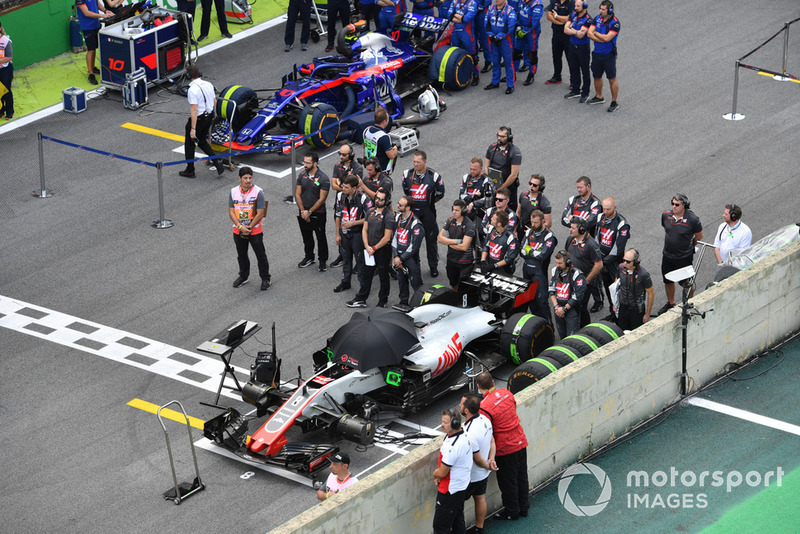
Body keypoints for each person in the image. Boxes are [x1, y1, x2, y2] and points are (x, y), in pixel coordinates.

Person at [476, 372, 529, 521]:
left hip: (505, 448)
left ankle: (512, 512)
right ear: (493, 382)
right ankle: (524, 507)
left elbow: (487, 430)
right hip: (520, 440)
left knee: (508, 482)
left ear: (479, 387)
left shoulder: (483, 407)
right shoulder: (507, 393)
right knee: (522, 476)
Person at [432, 408, 493, 534]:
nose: (442, 425)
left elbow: (442, 472)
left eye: (445, 422)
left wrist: (435, 474)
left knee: (440, 527)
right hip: (460, 488)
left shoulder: (453, 447)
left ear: (454, 424)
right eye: (442, 421)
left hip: (449, 491)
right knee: (458, 521)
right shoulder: (465, 435)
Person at [348, 188, 396, 308]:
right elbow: (364, 229)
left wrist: (374, 248)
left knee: (383, 275)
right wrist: (367, 246)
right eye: (377, 198)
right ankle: (361, 298)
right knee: (366, 274)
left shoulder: (389, 216)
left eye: (381, 199)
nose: (378, 201)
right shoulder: (370, 211)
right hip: (369, 249)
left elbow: (387, 237)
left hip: (382, 250)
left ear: (386, 201)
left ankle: (383, 300)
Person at [401, 150, 445, 277]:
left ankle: (433, 266)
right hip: (412, 213)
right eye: (414, 161)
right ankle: (413, 267)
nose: (415, 164)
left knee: (431, 242)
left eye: (418, 162)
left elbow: (440, 193)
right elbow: (406, 191)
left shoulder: (434, 176)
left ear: (425, 161)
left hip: (428, 213)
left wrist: (429, 203)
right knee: (412, 242)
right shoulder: (407, 174)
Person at [659, 193, 703, 314]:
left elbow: (699, 236)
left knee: (687, 283)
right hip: (667, 255)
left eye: (677, 205)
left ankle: (689, 303)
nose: (674, 207)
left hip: (684, 257)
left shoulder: (693, 219)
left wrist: (689, 246)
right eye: (672, 204)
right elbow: (666, 229)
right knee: (667, 280)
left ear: (685, 205)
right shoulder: (666, 215)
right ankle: (671, 302)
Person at [179, 64, 225, 178]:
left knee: (190, 143)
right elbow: (214, 101)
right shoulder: (209, 84)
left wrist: (193, 128)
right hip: (209, 116)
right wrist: (213, 115)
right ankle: (216, 160)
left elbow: (194, 110)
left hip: (199, 119)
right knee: (202, 141)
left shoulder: (192, 90)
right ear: (199, 74)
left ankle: (190, 170)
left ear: (189, 75)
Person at [229, 167, 271, 290]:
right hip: (238, 229)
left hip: (255, 230)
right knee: (241, 255)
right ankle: (243, 276)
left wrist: (249, 227)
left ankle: (265, 278)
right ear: (240, 178)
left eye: (250, 178)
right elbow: (231, 211)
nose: (248, 180)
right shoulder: (233, 191)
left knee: (260, 255)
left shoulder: (258, 192)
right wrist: (240, 226)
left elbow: (261, 213)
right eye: (245, 178)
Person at [460, 393, 497, 534]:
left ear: (467, 410)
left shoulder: (468, 432)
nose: (459, 405)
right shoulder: (485, 420)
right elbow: (492, 441)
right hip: (483, 473)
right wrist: (491, 459)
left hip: (471, 476)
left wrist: (487, 464)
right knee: (480, 497)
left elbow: (476, 458)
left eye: (461, 404)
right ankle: (479, 528)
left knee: (459, 504)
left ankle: (459, 529)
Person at [333, 175, 373, 293]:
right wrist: (337, 234)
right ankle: (345, 282)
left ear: (354, 188)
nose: (343, 189)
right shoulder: (340, 196)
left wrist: (353, 223)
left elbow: (370, 217)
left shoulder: (363, 198)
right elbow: (338, 215)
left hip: (357, 234)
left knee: (360, 262)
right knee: (346, 259)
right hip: (344, 233)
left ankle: (363, 287)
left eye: (346, 187)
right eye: (343, 186)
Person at [295, 152, 331, 271]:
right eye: (304, 162)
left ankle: (322, 260)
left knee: (321, 237)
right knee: (307, 237)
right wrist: (303, 211)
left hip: (318, 213)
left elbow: (322, 199)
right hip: (303, 212)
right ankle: (309, 257)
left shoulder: (324, 179)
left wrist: (309, 212)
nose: (305, 165)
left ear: (315, 163)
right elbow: (297, 194)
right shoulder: (301, 175)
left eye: (308, 163)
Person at [330, 145, 364, 268]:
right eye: (340, 153)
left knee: (355, 233)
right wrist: (344, 187)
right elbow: (334, 185)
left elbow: (354, 186)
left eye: (344, 154)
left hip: (354, 204)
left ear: (351, 155)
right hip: (340, 203)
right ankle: (342, 255)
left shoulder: (358, 168)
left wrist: (341, 184)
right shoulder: (337, 166)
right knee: (340, 229)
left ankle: (357, 259)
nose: (341, 156)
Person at [520, 210, 558, 319]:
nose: (533, 225)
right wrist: (534, 252)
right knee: (530, 300)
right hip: (526, 270)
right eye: (532, 222)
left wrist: (529, 250)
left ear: (543, 221)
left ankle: (548, 326)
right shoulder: (529, 232)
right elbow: (521, 251)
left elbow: (542, 255)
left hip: (539, 272)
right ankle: (536, 325)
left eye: (536, 222)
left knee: (541, 302)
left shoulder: (549, 236)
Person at [566, 216, 603, 326]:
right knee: (573, 304)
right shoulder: (570, 239)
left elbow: (599, 265)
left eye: (573, 228)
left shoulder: (591, 245)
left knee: (581, 306)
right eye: (570, 227)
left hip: (584, 281)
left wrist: (587, 280)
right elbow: (566, 255)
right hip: (571, 279)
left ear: (582, 229)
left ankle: (585, 326)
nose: (570, 230)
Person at [596, 197, 629, 314]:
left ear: (615, 208)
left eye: (608, 209)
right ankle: (612, 312)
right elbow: (596, 238)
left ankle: (620, 314)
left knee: (617, 289)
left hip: (615, 263)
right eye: (603, 209)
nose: (605, 212)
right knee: (607, 286)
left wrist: (604, 260)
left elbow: (618, 249)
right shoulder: (600, 217)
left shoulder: (622, 224)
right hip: (602, 261)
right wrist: (597, 256)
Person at [392, 196, 424, 311]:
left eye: (400, 205)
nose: (398, 206)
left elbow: (414, 246)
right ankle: (403, 302)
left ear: (408, 207)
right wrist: (396, 256)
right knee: (401, 281)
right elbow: (394, 237)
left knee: (416, 283)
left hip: (411, 259)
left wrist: (401, 258)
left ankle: (421, 306)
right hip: (399, 257)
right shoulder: (397, 218)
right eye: (398, 203)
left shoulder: (416, 224)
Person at [586, 0, 619, 111]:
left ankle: (614, 102)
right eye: (600, 8)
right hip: (597, 54)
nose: (600, 11)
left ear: (609, 10)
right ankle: (599, 96)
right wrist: (599, 37)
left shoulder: (615, 23)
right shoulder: (597, 18)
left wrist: (596, 34)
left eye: (603, 9)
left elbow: (607, 38)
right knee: (597, 76)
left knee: (611, 79)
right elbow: (589, 33)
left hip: (608, 56)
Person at [439, 199, 477, 290]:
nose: (454, 212)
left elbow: (464, 247)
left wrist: (448, 242)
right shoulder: (450, 221)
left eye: (457, 210)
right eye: (453, 209)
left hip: (465, 263)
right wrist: (457, 241)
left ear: (463, 211)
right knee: (453, 284)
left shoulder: (469, 225)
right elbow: (440, 238)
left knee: (465, 287)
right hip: (451, 259)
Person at [614, 248, 654, 330]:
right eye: (624, 260)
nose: (625, 263)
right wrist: (615, 303)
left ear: (635, 262)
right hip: (623, 307)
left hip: (636, 310)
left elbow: (651, 293)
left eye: (628, 261)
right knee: (621, 331)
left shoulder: (643, 275)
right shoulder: (621, 268)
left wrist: (648, 314)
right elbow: (616, 285)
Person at [549, 249, 586, 338]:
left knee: (572, 337)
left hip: (571, 310)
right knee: (562, 335)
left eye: (560, 263)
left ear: (568, 262)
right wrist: (556, 307)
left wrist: (564, 309)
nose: (558, 265)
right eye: (556, 263)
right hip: (558, 309)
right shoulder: (554, 270)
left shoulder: (577, 274)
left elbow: (578, 295)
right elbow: (551, 290)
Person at [75, 0, 113, 85]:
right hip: (87, 27)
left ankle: (93, 67)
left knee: (95, 47)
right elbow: (86, 13)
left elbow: (97, 3)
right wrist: (103, 15)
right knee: (91, 49)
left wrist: (105, 10)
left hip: (96, 24)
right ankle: (91, 74)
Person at [484, 127, 522, 210]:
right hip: (493, 185)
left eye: (502, 136)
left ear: (509, 138)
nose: (499, 138)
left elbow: (513, 175)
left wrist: (501, 188)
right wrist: (490, 182)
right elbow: (486, 166)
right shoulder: (492, 147)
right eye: (498, 135)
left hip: (508, 188)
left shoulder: (515, 152)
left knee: (510, 209)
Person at [484, 0, 517, 94]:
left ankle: (510, 84)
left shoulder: (510, 10)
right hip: (493, 40)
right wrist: (491, 36)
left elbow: (510, 26)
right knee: (495, 61)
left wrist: (499, 37)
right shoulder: (490, 9)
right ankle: (495, 82)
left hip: (505, 41)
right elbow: (486, 23)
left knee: (508, 62)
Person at [563, 0, 591, 102]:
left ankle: (585, 93)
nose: (575, 7)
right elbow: (565, 30)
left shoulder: (588, 20)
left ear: (584, 6)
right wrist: (575, 31)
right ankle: (575, 90)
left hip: (582, 48)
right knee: (573, 69)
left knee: (585, 71)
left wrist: (572, 30)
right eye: (575, 5)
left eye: (578, 6)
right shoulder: (573, 14)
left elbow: (581, 35)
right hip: (572, 46)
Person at [447, 0, 481, 86]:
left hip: (467, 34)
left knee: (472, 55)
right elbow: (448, 16)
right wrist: (461, 17)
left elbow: (467, 19)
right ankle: (458, 75)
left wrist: (455, 15)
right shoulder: (455, 2)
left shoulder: (472, 3)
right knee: (455, 55)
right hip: (455, 33)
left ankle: (475, 75)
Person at [513, 0, 543, 86]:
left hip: (532, 33)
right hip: (521, 30)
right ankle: (513, 74)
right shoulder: (522, 2)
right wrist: (517, 26)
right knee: (516, 52)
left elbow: (534, 22)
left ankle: (531, 75)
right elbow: (518, 14)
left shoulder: (537, 5)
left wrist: (524, 31)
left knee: (532, 54)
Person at [481, 209, 518, 275]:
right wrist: (483, 260)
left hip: (504, 270)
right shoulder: (491, 229)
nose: (491, 218)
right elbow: (486, 246)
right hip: (491, 265)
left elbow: (509, 258)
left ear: (499, 223)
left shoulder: (510, 238)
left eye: (494, 218)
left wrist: (494, 265)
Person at [460, 157, 495, 226]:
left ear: (481, 168)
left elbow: (489, 199)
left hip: (481, 213)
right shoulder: (466, 178)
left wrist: (474, 203)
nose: (472, 171)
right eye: (471, 169)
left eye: (475, 170)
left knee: (478, 230)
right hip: (467, 209)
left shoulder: (487, 181)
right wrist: (472, 197)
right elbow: (461, 195)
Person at [363, 107, 399, 175]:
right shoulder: (384, 137)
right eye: (388, 118)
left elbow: (364, 145)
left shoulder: (366, 130)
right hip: (381, 171)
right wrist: (395, 148)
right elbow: (391, 156)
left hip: (370, 166)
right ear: (384, 121)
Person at [544, 0, 571, 85]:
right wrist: (560, 22)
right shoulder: (554, 1)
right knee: (556, 56)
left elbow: (570, 18)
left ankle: (573, 80)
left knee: (571, 59)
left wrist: (555, 15)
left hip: (567, 35)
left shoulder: (572, 2)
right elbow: (548, 15)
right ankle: (557, 76)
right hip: (556, 33)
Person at [0, 21, 13, 120]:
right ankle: (1, 111)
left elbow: (9, 57)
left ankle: (10, 111)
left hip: (5, 70)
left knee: (6, 91)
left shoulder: (5, 41)